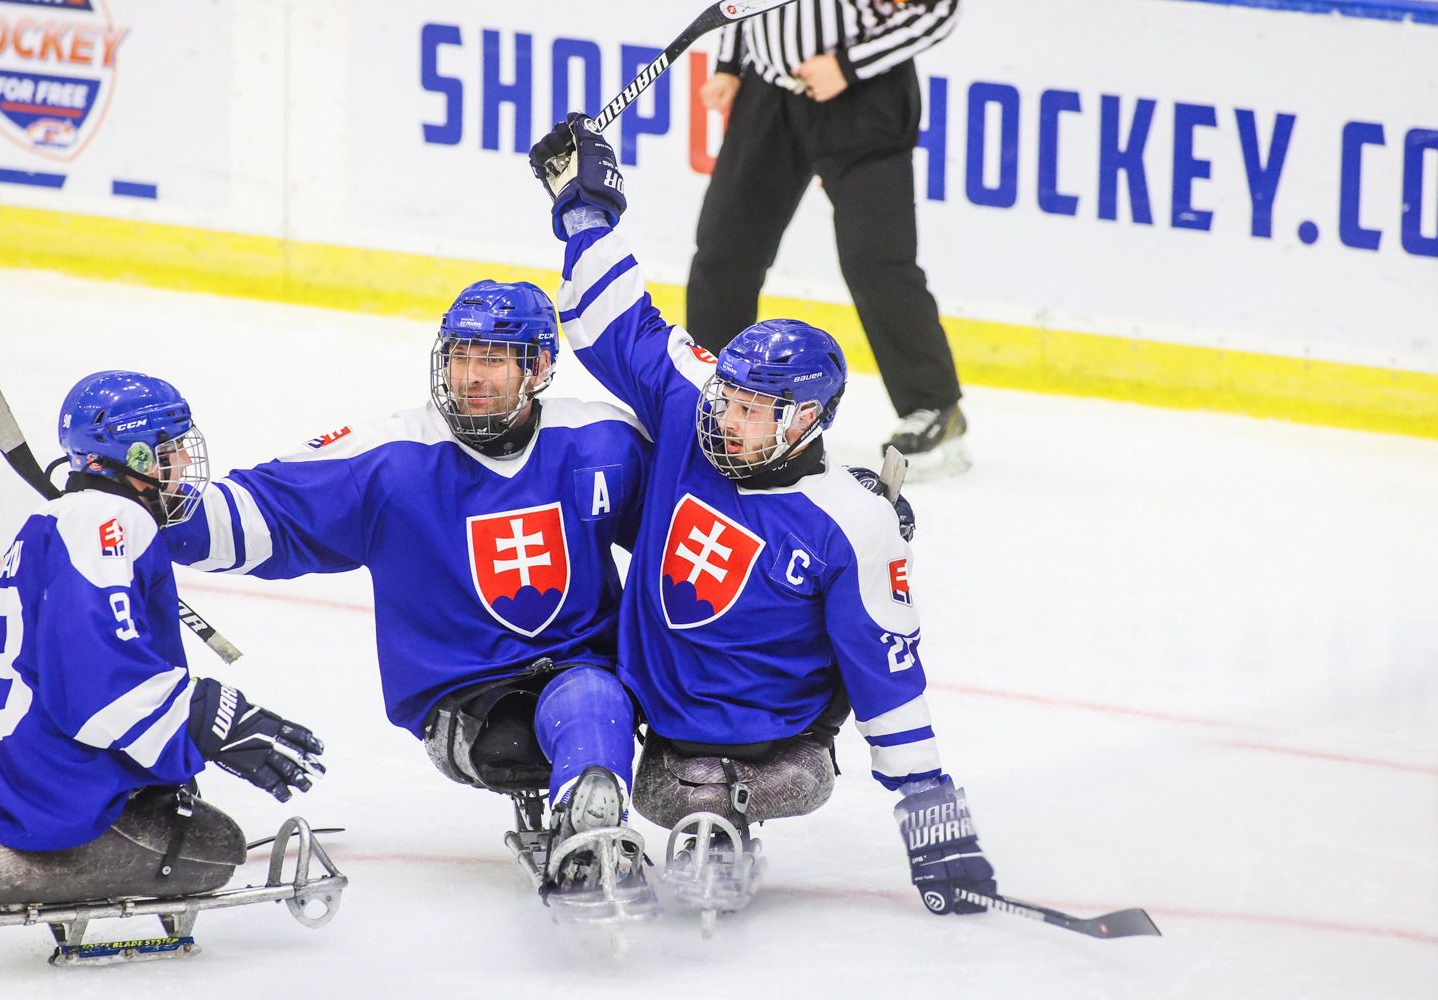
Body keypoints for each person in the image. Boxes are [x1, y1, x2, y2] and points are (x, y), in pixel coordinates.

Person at [529, 116, 995, 917]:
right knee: (579, 689)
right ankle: (596, 816)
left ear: (808, 421)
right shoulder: (693, 402)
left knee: (736, 781)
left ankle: (728, 812)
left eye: (754, 410)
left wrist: (930, 811)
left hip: (779, 756)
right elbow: (616, 323)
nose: (728, 418)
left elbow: (885, 667)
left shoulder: (851, 520)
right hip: (661, 738)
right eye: (730, 399)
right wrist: (584, 209)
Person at [161, 281, 652, 899]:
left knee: (590, 694)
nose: (471, 376)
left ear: (540, 369)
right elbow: (258, 516)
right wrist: (141, 503)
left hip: (586, 676)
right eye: (460, 356)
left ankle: (593, 827)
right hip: (465, 701)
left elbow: (690, 539)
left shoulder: (602, 441)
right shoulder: (390, 459)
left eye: (494, 359)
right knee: (583, 698)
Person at [0, 371, 325, 908]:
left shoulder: (60, 521)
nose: (185, 466)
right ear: (140, 457)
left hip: (31, 790)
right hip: (67, 810)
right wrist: (206, 718)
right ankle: (62, 849)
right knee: (217, 848)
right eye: (172, 450)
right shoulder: (111, 523)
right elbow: (97, 685)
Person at [689, 0, 970, 476]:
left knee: (875, 259)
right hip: (769, 92)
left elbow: (939, 10)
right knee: (724, 252)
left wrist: (846, 65)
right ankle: (708, 397)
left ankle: (934, 407)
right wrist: (730, 63)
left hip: (864, 95)